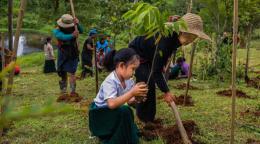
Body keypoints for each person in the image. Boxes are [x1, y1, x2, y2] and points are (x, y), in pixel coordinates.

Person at [129, 13, 211, 123]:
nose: (192, 39)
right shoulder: (166, 38)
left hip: (149, 55)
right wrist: (166, 92)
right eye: (192, 36)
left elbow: (163, 56)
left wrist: (162, 63)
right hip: (138, 53)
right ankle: (145, 120)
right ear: (183, 31)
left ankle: (146, 115)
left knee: (150, 83)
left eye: (195, 37)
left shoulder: (175, 36)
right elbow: (156, 71)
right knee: (146, 83)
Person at [89, 48, 148, 144]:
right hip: (99, 115)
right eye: (133, 69)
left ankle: (124, 134)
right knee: (125, 110)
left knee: (126, 110)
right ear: (121, 66)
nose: (134, 72)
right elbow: (111, 104)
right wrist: (132, 93)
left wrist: (137, 98)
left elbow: (126, 100)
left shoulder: (129, 80)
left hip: (112, 113)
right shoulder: (110, 81)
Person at [53, 14, 83, 102]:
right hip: (63, 53)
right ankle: (63, 91)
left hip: (73, 52)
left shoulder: (74, 27)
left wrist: (78, 24)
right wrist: (72, 36)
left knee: (72, 72)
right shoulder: (57, 30)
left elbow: (81, 31)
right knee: (62, 72)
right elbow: (61, 36)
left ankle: (73, 92)